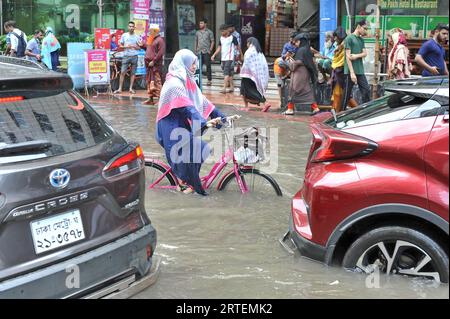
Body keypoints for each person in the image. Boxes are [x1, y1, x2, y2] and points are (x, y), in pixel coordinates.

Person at [155, 49, 227, 195]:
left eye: (195, 63)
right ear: (184, 63)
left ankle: (188, 179)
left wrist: (221, 117)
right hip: (170, 127)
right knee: (200, 148)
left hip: (180, 124)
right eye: (193, 63)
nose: (195, 66)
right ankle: (185, 182)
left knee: (196, 149)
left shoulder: (188, 81)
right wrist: (203, 122)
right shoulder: (174, 83)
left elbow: (203, 102)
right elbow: (188, 108)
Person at [285, 33, 320, 115]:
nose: (295, 44)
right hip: (305, 74)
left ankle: (290, 109)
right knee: (306, 90)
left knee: (293, 90)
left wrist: (288, 60)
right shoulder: (306, 49)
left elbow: (295, 64)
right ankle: (315, 108)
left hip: (299, 74)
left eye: (296, 42)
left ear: (300, 41)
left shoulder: (301, 50)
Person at [341, 19, 371, 111]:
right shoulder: (349, 38)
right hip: (350, 71)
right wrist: (352, 73)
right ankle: (340, 113)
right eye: (364, 28)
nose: (366, 31)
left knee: (366, 90)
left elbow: (365, 53)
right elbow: (348, 57)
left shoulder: (361, 40)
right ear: (358, 27)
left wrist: (356, 56)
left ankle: (367, 111)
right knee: (346, 94)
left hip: (360, 70)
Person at [239, 37, 270, 109]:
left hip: (247, 75)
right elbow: (263, 65)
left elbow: (247, 63)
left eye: (247, 42)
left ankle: (265, 102)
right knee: (245, 90)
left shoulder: (249, 51)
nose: (246, 44)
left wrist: (243, 70)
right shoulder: (260, 53)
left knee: (247, 90)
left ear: (250, 43)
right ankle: (246, 106)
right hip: (255, 75)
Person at [114, 21, 143, 94]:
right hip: (126, 56)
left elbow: (140, 47)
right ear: (128, 27)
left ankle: (131, 88)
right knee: (123, 72)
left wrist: (136, 47)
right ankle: (120, 88)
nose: (131, 28)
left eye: (132, 26)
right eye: (130, 26)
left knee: (133, 73)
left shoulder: (137, 36)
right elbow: (120, 45)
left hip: (134, 56)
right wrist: (127, 46)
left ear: (134, 27)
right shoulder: (124, 35)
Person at [211, 24, 240, 94]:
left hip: (229, 58)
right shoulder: (221, 38)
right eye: (221, 31)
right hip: (223, 58)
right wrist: (214, 55)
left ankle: (224, 88)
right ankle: (232, 87)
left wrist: (239, 55)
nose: (222, 33)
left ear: (227, 30)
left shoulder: (233, 38)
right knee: (229, 73)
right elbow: (219, 48)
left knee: (226, 73)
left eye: (223, 31)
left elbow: (238, 47)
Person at [331, 27, 353, 113]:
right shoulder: (340, 46)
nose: (335, 39)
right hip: (338, 72)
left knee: (339, 94)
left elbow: (342, 61)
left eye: (336, 36)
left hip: (342, 73)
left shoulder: (345, 46)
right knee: (342, 95)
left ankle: (337, 113)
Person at [142, 24, 166, 105]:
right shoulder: (150, 39)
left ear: (155, 31)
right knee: (149, 81)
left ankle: (160, 99)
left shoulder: (160, 40)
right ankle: (150, 98)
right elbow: (148, 49)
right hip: (148, 64)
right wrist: (142, 46)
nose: (149, 31)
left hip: (155, 65)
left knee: (157, 82)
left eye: (150, 30)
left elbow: (160, 53)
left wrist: (154, 61)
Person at [195, 18, 215, 86]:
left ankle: (209, 80)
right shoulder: (197, 32)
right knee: (198, 66)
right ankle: (197, 79)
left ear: (205, 24)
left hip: (206, 51)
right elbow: (196, 41)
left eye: (202, 23)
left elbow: (212, 41)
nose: (200, 24)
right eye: (200, 23)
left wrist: (210, 50)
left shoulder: (209, 32)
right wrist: (195, 50)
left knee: (208, 66)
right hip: (199, 51)